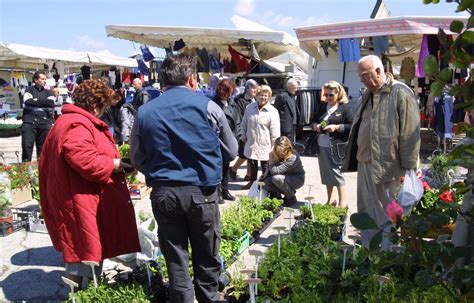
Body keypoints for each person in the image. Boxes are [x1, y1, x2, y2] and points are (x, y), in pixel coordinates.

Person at [130, 54, 238, 302]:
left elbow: (137, 158)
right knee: (207, 254)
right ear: (192, 79)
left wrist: (159, 171)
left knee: (175, 256)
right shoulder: (210, 107)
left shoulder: (145, 112)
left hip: (165, 192)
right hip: (203, 193)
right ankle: (209, 298)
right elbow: (231, 151)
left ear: (162, 81)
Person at [38, 79, 141, 289]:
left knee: (85, 248)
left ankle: (84, 290)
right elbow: (86, 161)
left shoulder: (68, 120)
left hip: (77, 193)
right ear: (95, 105)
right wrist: (116, 164)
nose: (103, 112)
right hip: (78, 197)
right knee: (84, 253)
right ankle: (82, 294)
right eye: (103, 107)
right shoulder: (77, 123)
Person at [342, 55, 420, 248]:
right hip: (365, 162)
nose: (363, 80)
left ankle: (387, 252)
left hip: (388, 166)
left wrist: (409, 168)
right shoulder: (367, 94)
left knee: (387, 211)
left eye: (366, 75)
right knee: (366, 209)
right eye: (361, 77)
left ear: (379, 71)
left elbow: (410, 133)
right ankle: (370, 248)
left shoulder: (401, 92)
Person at [312, 81, 354, 208]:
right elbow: (313, 120)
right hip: (322, 144)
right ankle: (330, 200)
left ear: (338, 94)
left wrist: (337, 127)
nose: (328, 97)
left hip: (336, 146)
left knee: (336, 173)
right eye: (326, 95)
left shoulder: (344, 108)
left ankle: (342, 203)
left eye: (331, 95)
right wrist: (315, 126)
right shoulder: (322, 106)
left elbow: (351, 125)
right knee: (326, 173)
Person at [241, 85, 280, 189]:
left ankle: (265, 185)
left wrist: (274, 145)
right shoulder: (249, 108)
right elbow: (244, 122)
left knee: (266, 166)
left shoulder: (273, 111)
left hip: (265, 144)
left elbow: (275, 130)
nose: (263, 97)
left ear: (269, 97)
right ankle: (252, 182)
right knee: (252, 163)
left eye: (266, 96)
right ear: (257, 95)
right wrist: (243, 135)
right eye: (261, 95)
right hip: (251, 141)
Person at [212, 79, 241, 203]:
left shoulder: (232, 104)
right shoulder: (213, 104)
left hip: (230, 139)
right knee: (218, 167)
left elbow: (238, 120)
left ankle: (225, 190)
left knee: (226, 165)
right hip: (218, 140)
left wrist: (237, 138)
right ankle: (217, 192)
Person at [21, 71, 56, 161]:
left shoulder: (49, 92)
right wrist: (43, 101)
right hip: (29, 122)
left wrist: (36, 100)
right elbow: (28, 101)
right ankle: (25, 170)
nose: (45, 81)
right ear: (36, 80)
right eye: (42, 79)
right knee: (27, 146)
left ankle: (42, 170)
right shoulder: (29, 89)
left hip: (44, 122)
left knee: (43, 148)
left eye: (45, 79)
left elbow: (51, 103)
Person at [261, 136, 305, 205]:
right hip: (283, 177)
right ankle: (277, 196)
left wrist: (271, 160)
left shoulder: (293, 157)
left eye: (283, 151)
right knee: (264, 184)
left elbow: (275, 171)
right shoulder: (275, 154)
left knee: (276, 179)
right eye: (278, 151)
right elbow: (269, 168)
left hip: (296, 179)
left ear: (288, 148)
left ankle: (291, 197)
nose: (281, 154)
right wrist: (265, 174)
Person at [229, 79, 258, 181]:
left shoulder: (255, 99)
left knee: (250, 154)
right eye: (253, 88)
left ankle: (248, 175)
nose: (255, 90)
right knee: (245, 154)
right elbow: (240, 117)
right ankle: (233, 169)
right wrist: (243, 132)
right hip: (245, 131)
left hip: (254, 130)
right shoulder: (240, 100)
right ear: (247, 88)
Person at [274, 79, 299, 143]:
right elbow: (275, 111)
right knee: (283, 145)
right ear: (290, 86)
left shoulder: (292, 96)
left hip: (292, 125)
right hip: (284, 127)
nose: (296, 90)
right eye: (295, 87)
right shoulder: (282, 96)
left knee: (290, 144)